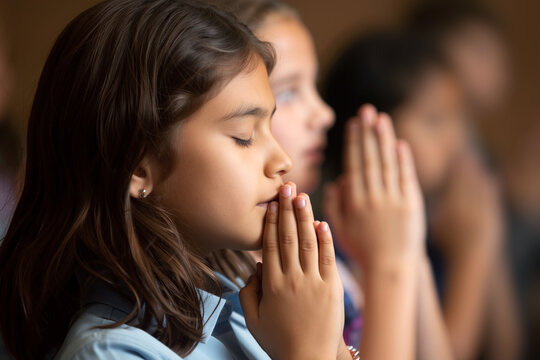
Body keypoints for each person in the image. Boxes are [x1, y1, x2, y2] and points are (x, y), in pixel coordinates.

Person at [0, 0, 351, 358]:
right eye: (244, 135)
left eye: (270, 128)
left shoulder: (249, 312)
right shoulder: (110, 352)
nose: (283, 160)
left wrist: (330, 338)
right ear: (138, 167)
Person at [203, 1, 453, 359]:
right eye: (288, 92)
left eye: (314, 86)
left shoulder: (325, 247)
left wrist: (409, 249)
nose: (324, 113)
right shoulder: (245, 289)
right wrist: (389, 266)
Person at [324, 31, 520, 360]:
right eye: (434, 120)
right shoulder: (344, 240)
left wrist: (488, 234)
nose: (456, 140)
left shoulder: (441, 220)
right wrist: (474, 251)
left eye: (460, 119)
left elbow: (507, 349)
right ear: (368, 132)